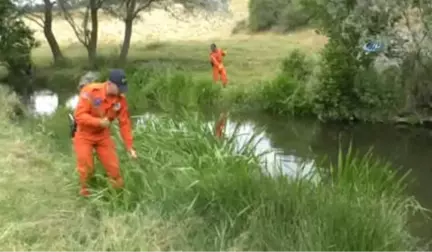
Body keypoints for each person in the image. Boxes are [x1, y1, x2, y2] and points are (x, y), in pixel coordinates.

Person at [73, 69, 137, 197]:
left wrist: (130, 147)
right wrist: (99, 122)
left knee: (114, 170)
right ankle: (85, 196)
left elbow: (124, 124)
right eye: (119, 88)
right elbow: (79, 115)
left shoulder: (120, 101)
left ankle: (116, 197)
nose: (121, 91)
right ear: (110, 84)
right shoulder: (90, 91)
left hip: (103, 136)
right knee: (86, 169)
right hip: (84, 135)